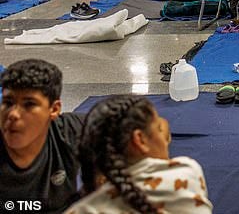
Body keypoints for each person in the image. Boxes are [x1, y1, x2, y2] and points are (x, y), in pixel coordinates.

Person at [66, 95, 213, 213]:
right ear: (140, 140)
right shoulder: (185, 172)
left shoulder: (82, 209)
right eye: (159, 129)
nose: (167, 139)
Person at [0, 59, 85, 214]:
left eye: (29, 104)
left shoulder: (70, 131)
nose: (13, 114)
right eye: (8, 102)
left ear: (54, 109)